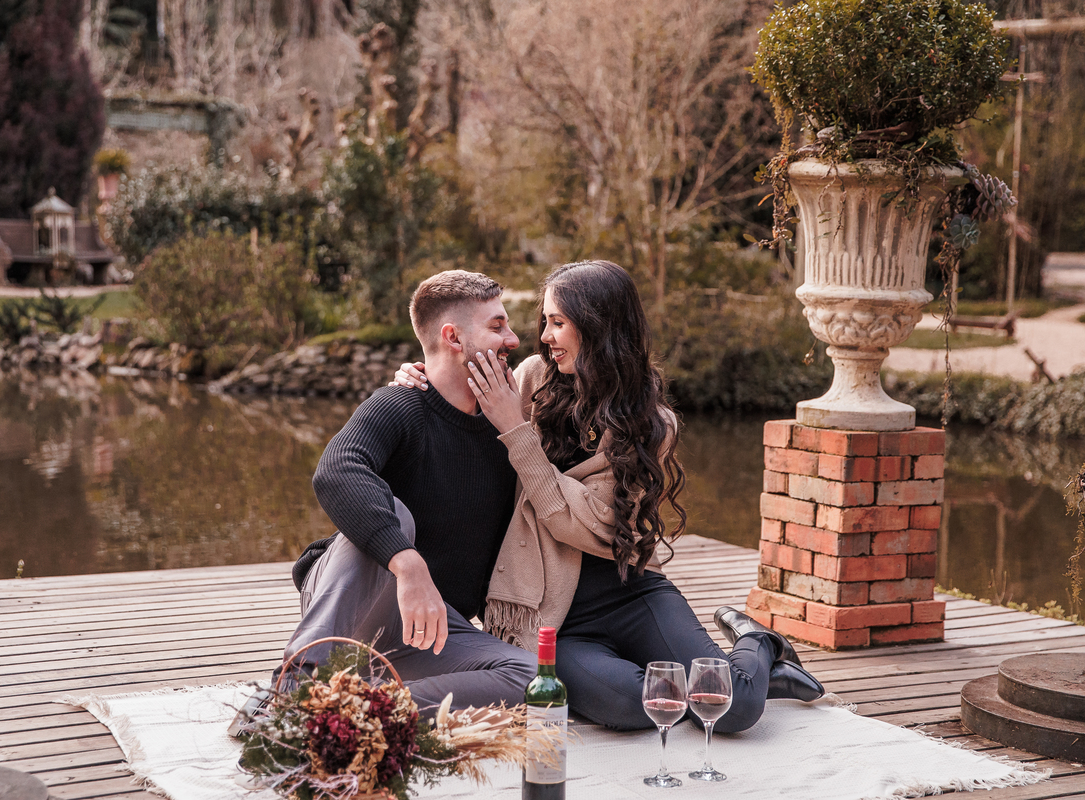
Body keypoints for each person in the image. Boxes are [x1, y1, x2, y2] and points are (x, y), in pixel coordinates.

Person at [394, 260, 823, 732]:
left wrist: (516, 430)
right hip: (554, 613)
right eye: (545, 321)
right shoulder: (533, 379)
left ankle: (758, 643)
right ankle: (755, 677)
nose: (545, 336)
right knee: (632, 705)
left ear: (597, 326)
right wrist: (419, 381)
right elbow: (461, 412)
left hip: (631, 591)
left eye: (558, 322)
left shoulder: (652, 423)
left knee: (735, 708)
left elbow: (587, 522)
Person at [273, 269, 537, 715]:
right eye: (497, 326)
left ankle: (355, 712)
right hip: (359, 605)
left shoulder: (507, 426)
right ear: (453, 337)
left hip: (428, 630)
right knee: (395, 511)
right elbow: (337, 470)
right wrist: (407, 563)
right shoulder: (398, 403)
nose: (512, 339)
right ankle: (295, 689)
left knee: (531, 676)